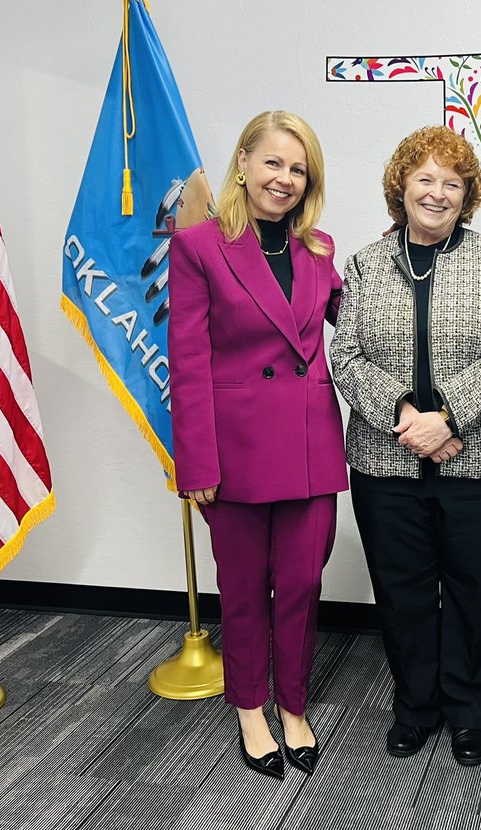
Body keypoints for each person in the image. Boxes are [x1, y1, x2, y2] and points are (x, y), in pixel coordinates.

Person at [330, 125, 481, 767]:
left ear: (468, 194)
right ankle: (416, 706)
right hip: (385, 461)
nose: (438, 193)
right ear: (402, 186)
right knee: (402, 590)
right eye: (425, 179)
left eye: (453, 182)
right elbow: (344, 351)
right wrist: (405, 416)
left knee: (475, 589)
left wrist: (446, 419)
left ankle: (473, 710)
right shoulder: (363, 263)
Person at [169, 111, 346, 780]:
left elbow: (352, 323)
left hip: (309, 447)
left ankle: (294, 705)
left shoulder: (320, 248)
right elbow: (185, 361)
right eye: (273, 162)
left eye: (299, 169)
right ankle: (249, 706)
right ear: (243, 162)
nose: (285, 179)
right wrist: (197, 463)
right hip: (234, 452)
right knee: (243, 590)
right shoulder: (199, 247)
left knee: (301, 583)